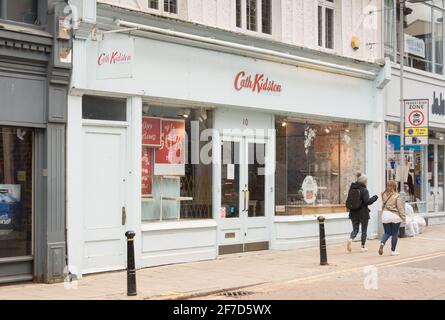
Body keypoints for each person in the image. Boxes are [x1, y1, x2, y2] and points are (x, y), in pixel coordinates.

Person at [347, 173, 379, 253]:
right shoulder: (364, 190)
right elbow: (367, 202)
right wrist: (375, 197)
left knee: (355, 229)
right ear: (365, 182)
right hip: (363, 213)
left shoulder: (352, 189)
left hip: (353, 213)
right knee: (364, 230)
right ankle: (363, 247)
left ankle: (350, 239)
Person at [379, 180, 406, 256]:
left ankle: (382, 243)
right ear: (395, 186)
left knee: (387, 232)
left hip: (385, 214)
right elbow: (400, 207)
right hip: (394, 215)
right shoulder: (397, 195)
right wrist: (403, 217)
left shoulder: (383, 194)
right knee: (394, 233)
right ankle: (393, 251)